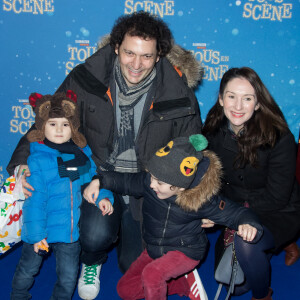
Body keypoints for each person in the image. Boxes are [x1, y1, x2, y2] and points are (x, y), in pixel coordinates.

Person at [6, 11, 202, 300]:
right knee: (94, 236)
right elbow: (49, 120)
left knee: (130, 265)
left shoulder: (178, 93)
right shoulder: (87, 78)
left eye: (146, 56)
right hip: (96, 178)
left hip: (144, 185)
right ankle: (92, 262)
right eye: (129, 53)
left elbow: (192, 152)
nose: (136, 64)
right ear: (115, 47)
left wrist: (198, 201)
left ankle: (178, 268)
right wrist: (22, 162)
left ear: (159, 55)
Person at [83, 134, 264, 300]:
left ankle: (177, 275)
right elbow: (126, 182)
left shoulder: (202, 201)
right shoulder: (151, 182)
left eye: (159, 182)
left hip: (186, 251)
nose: (152, 184)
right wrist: (100, 181)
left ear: (181, 186)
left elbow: (236, 213)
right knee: (125, 290)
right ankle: (184, 283)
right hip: (155, 248)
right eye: (151, 177)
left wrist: (248, 223)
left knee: (152, 275)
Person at [202, 67, 300, 300]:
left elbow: (277, 197)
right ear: (220, 99)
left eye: (247, 98)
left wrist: (228, 216)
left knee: (246, 246)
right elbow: (208, 177)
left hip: (277, 210)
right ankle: (280, 245)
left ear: (257, 104)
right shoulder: (212, 130)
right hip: (234, 207)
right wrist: (205, 208)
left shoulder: (280, 137)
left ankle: (263, 294)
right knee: (234, 287)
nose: (238, 106)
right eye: (231, 96)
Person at [10, 91, 114, 300]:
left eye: (65, 125)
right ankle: (18, 296)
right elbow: (35, 203)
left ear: (73, 128)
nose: (59, 129)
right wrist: (37, 235)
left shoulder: (81, 155)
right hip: (41, 231)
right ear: (41, 127)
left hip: (69, 232)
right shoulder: (36, 161)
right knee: (27, 270)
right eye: (52, 124)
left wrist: (103, 196)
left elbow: (91, 180)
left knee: (68, 277)